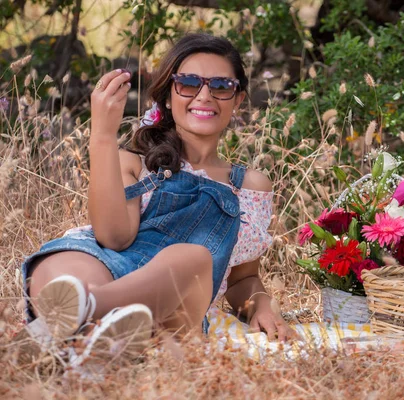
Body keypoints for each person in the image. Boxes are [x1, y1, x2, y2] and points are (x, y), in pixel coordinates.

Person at [17, 33, 295, 365]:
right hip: (103, 265)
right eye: (189, 83)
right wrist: (103, 137)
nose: (204, 96)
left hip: (174, 303)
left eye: (221, 86)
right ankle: (88, 334)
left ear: (238, 99)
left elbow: (244, 279)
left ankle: (76, 319)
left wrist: (260, 304)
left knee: (192, 259)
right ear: (167, 96)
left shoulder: (250, 186)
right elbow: (113, 238)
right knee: (68, 267)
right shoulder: (133, 160)